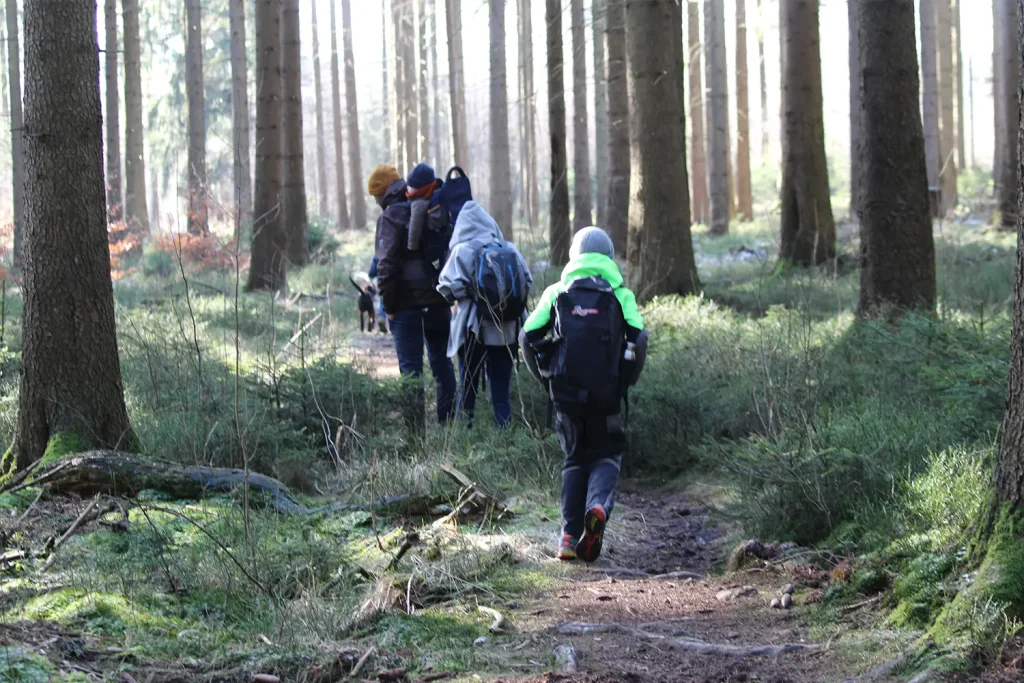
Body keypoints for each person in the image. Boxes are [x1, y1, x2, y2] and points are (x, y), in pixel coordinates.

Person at [520, 227, 648, 563]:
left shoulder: (557, 291)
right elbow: (640, 337)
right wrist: (626, 381)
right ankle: (597, 508)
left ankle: (567, 537)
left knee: (574, 459)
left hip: (566, 395)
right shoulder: (620, 294)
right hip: (607, 395)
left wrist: (545, 382)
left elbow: (528, 336)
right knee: (606, 455)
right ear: (608, 256)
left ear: (574, 256)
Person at [368, 164, 456, 428]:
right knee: (443, 365)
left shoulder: (390, 217)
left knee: (411, 372)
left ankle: (415, 437)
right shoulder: (431, 205)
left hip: (406, 307)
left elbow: (386, 266)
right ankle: (449, 429)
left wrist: (389, 306)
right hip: (438, 301)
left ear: (382, 194)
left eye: (375, 197)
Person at [437, 201, 531, 427]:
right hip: (507, 330)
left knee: (466, 390)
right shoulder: (509, 249)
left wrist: (466, 295)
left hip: (472, 331)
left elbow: (447, 288)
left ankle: (463, 445)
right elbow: (527, 281)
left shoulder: (462, 250)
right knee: (501, 396)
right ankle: (505, 444)